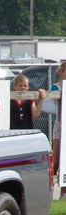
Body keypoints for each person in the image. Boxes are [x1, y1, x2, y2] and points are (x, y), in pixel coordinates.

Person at [51, 62, 66, 198]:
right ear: (61, 72)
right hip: (61, 123)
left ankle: (63, 193)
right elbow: (58, 103)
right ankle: (49, 188)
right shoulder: (56, 87)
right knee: (56, 159)